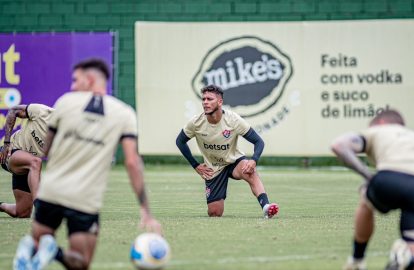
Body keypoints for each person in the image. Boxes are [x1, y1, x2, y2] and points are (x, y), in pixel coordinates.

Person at [13, 58, 162, 270]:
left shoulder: (64, 102)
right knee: (81, 262)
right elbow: (132, 162)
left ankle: (40, 248)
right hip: (84, 199)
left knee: (35, 244)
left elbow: (47, 150)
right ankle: (54, 251)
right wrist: (145, 210)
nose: (72, 85)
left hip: (51, 191)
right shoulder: (124, 113)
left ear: (90, 79)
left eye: (76, 80)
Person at [331, 109, 414, 270]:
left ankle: (357, 260)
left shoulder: (378, 131)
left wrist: (368, 176)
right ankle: (408, 258)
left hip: (389, 178)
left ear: (380, 123)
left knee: (365, 196)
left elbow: (338, 145)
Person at [175, 84, 278, 218]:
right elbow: (180, 141)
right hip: (213, 168)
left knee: (250, 171)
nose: (205, 102)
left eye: (209, 99)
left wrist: (254, 160)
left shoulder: (233, 120)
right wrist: (196, 165)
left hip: (233, 161)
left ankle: (266, 207)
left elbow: (259, 142)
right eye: (204, 99)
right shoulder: (196, 122)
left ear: (220, 102)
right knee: (215, 213)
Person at [0, 103, 53, 218]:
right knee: (36, 162)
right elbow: (13, 111)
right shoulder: (42, 112)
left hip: (27, 168)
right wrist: (6, 143)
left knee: (22, 212)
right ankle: (39, 206)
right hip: (10, 152)